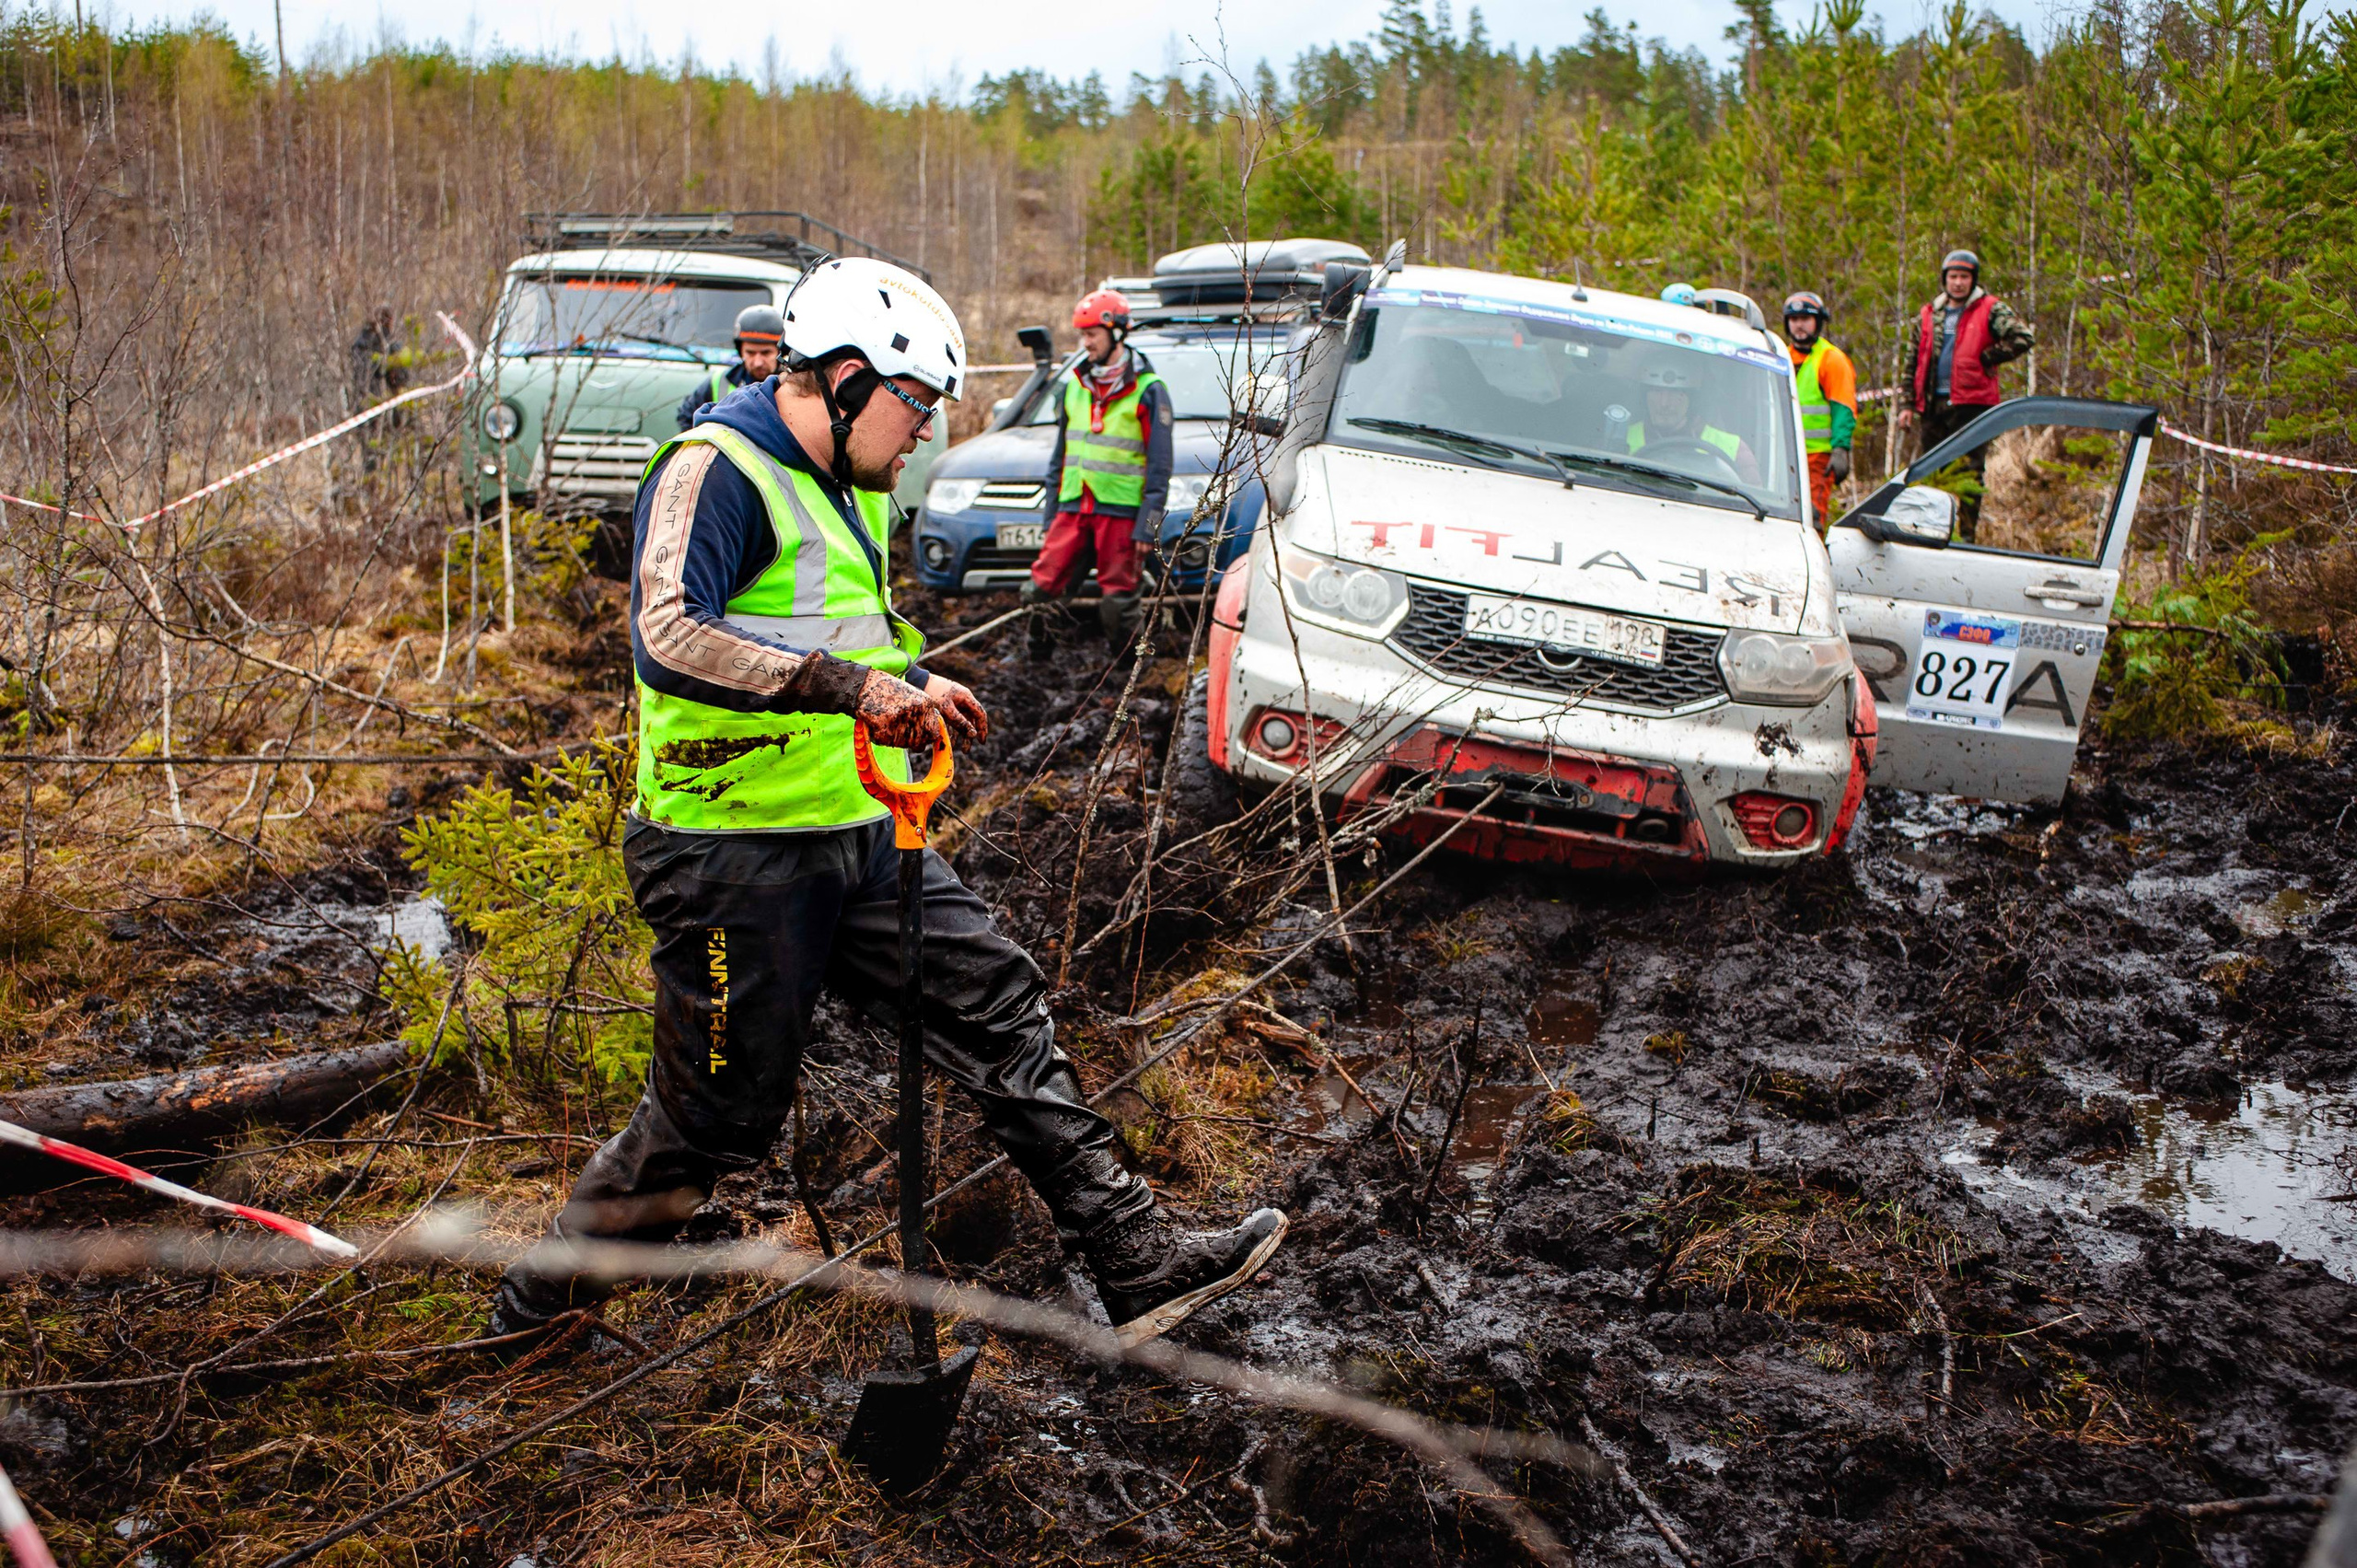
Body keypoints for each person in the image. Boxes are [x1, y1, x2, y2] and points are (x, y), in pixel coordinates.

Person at [489, 257, 1285, 1353]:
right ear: (851, 378)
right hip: (730, 853)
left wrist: (903, 681)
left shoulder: (848, 484)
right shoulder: (714, 467)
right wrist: (854, 686)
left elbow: (834, 630)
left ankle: (1135, 1259)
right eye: (917, 408)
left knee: (999, 1006)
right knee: (714, 1119)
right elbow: (670, 632)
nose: (925, 434)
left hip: (858, 836)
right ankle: (533, 1318)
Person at [1023, 288, 1174, 651]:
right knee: (1039, 590)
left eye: (1092, 335)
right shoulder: (1073, 385)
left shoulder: (1150, 390)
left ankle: (1126, 671)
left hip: (1121, 513)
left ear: (1117, 332)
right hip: (1073, 508)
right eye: (1083, 335)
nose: (1085, 343)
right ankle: (1034, 662)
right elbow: (1058, 460)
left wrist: (1147, 526)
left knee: (1118, 603)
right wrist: (1049, 518)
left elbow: (1160, 467)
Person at [1898, 250, 2035, 542]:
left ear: (1973, 280)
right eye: (1953, 277)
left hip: (1973, 404)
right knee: (1931, 469)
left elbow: (2023, 337)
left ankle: (1967, 536)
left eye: (1964, 277)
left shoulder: (1990, 308)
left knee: (1971, 472)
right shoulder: (1929, 314)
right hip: (1933, 404)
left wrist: (1989, 357)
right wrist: (1907, 404)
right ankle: (1930, 531)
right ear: (1944, 279)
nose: (1958, 283)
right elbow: (1912, 360)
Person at [1781, 292, 1857, 527]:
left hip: (1817, 458)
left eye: (1805, 318)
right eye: (1794, 319)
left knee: (1813, 519)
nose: (1799, 325)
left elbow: (1843, 407)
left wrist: (1840, 449)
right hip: (1782, 455)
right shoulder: (1780, 356)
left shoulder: (1831, 360)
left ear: (1818, 321)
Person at [1626, 364, 1759, 486]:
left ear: (1693, 400)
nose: (1664, 403)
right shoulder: (1621, 437)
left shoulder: (1734, 449)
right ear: (1644, 397)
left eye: (1676, 393)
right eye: (1656, 391)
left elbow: (1752, 502)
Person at [676, 304, 785, 431]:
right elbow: (686, 417)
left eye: (766, 353)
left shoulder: (793, 385)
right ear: (740, 351)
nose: (758, 362)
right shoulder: (720, 382)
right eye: (750, 353)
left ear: (780, 352)